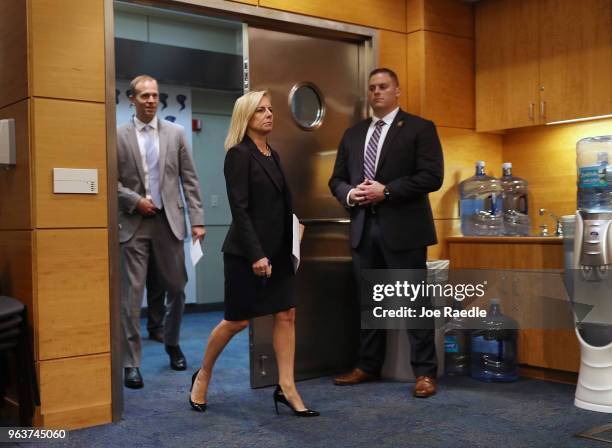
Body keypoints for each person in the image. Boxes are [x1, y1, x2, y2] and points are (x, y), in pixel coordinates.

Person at [188, 90, 318, 417]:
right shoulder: (239, 154)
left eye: (270, 109)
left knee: (287, 314)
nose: (269, 114)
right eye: (260, 110)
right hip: (248, 254)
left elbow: (278, 204)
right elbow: (241, 210)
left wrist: (295, 227)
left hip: (279, 252)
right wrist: (256, 254)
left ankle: (287, 387)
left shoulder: (272, 154)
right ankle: (203, 374)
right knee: (236, 321)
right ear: (246, 117)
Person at [328, 68, 444, 398]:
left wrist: (387, 191)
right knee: (371, 302)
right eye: (372, 88)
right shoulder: (353, 134)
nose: (377, 92)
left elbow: (432, 176)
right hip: (364, 228)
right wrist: (351, 195)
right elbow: (336, 179)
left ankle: (424, 373)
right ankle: (367, 366)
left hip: (404, 228)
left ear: (397, 91)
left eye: (383, 87)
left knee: (414, 303)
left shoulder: (420, 128)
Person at [117, 74, 205, 389]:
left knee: (177, 289)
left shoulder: (176, 133)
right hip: (133, 223)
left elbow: (189, 179)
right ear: (132, 99)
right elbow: (112, 182)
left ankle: (171, 342)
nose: (151, 100)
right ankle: (131, 362)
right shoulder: (117, 136)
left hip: (170, 222)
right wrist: (134, 200)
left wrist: (197, 219)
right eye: (144, 96)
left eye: (155, 95)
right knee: (131, 297)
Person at [145, 257, 166, 343]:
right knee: (132, 286)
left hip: (159, 244)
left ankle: (156, 327)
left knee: (158, 280)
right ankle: (127, 331)